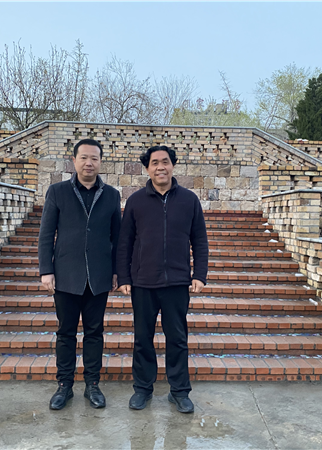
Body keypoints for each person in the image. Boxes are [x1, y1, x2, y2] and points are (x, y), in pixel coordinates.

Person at [117, 145, 208, 414]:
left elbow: (199, 240)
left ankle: (179, 391)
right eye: (155, 162)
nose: (160, 167)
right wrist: (124, 277)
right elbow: (124, 242)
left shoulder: (189, 200)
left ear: (173, 165)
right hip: (143, 282)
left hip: (177, 283)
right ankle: (142, 389)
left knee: (177, 339)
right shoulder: (136, 201)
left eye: (165, 162)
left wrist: (199, 275)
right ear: (147, 168)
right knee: (142, 339)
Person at [38, 138, 121, 411]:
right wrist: (46, 270)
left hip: (98, 277)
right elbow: (46, 234)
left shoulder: (111, 195)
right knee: (66, 333)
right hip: (66, 276)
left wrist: (117, 271)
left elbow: (117, 238)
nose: (89, 163)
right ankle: (64, 385)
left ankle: (92, 384)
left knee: (95, 333)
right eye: (84, 157)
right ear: (74, 161)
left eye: (94, 158)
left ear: (100, 162)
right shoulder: (57, 192)